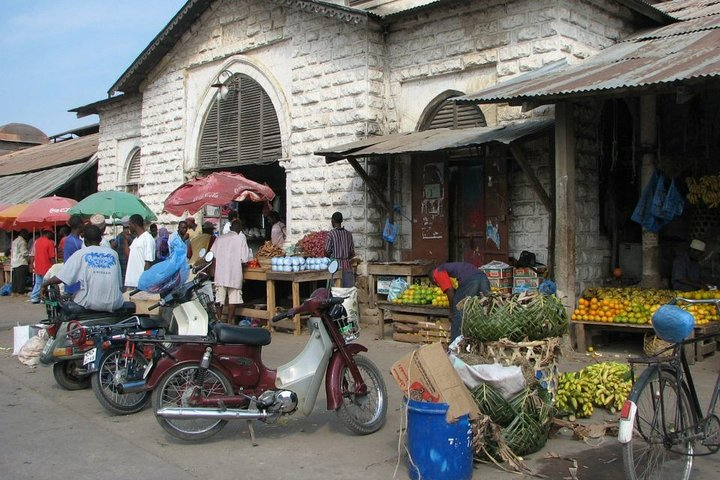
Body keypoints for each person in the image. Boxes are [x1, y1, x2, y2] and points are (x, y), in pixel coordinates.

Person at [40, 225, 124, 313]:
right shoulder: (114, 254)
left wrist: (44, 284)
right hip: (115, 303)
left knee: (71, 300)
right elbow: (119, 284)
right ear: (100, 240)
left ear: (85, 240)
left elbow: (61, 277)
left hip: (91, 303)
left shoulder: (80, 254)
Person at [432, 262, 491, 342]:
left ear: (432, 279)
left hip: (471, 280)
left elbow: (450, 291)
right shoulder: (451, 267)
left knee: (459, 311)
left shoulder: (437, 272)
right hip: (483, 278)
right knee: (485, 311)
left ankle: (454, 346)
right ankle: (485, 342)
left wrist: (452, 312)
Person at [211, 219, 251, 324]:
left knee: (219, 298)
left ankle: (219, 320)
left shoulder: (219, 239)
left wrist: (214, 271)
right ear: (240, 229)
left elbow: (213, 256)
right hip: (235, 273)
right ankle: (229, 321)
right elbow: (244, 259)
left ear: (230, 228)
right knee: (234, 299)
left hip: (220, 274)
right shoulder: (241, 240)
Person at [124, 214, 155, 290]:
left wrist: (144, 282)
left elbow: (148, 262)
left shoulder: (148, 238)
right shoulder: (135, 240)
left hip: (140, 283)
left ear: (135, 225)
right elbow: (129, 255)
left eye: (130, 225)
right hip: (131, 282)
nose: (129, 227)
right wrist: (125, 240)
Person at [325, 211, 355, 287]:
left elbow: (327, 251)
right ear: (341, 220)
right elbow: (352, 252)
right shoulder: (348, 234)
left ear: (333, 221)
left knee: (336, 291)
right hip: (347, 266)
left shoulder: (331, 234)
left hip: (335, 266)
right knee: (347, 290)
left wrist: (328, 258)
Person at [28, 228, 56, 304]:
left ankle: (34, 297)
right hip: (47, 267)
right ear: (48, 233)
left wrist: (31, 265)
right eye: (51, 233)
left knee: (38, 283)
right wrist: (55, 266)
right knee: (47, 283)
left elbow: (32, 254)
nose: (52, 235)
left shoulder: (36, 242)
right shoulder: (50, 243)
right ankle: (44, 298)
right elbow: (52, 257)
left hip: (38, 266)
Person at [63, 214, 85, 295]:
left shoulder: (69, 239)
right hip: (75, 280)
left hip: (69, 278)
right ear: (80, 225)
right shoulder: (77, 242)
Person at [11, 229, 30, 297]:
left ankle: (14, 291)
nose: (27, 236)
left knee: (15, 278)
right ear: (24, 234)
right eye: (27, 234)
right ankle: (21, 292)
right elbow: (24, 253)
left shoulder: (14, 241)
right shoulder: (22, 241)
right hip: (21, 262)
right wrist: (30, 254)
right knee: (21, 278)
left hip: (14, 262)